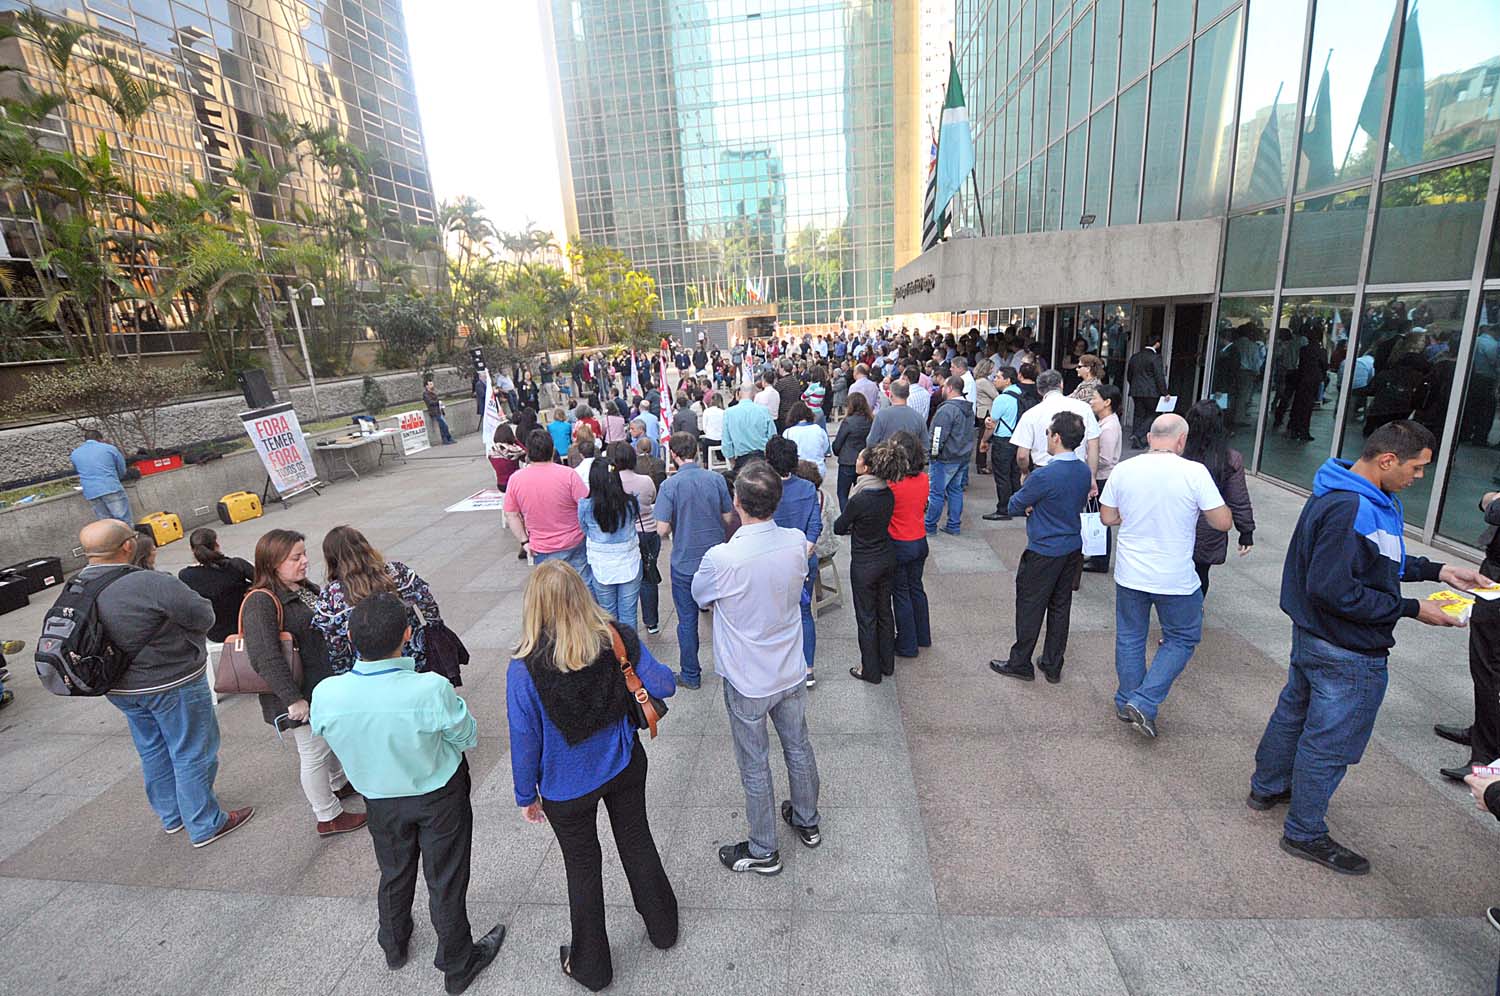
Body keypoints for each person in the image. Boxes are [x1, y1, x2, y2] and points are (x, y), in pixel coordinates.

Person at [1249, 420, 1488, 875]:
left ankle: (1268, 787)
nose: (1419, 478)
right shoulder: (1352, 506)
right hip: (1347, 650)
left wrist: (1437, 570)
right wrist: (1413, 609)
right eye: (1416, 468)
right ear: (1387, 460)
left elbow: (1375, 559)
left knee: (1294, 715)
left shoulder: (1352, 492)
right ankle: (1304, 832)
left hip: (1317, 638)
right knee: (1329, 743)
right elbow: (1333, 589)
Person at [310, 593, 504, 993]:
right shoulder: (429, 688)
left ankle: (394, 943)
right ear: (407, 635)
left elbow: (323, 732)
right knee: (445, 877)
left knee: (394, 870)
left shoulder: (327, 693)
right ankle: (457, 963)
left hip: (378, 798)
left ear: (350, 637)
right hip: (437, 793)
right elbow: (466, 736)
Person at [505, 561, 677, 990]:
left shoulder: (523, 669)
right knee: (636, 840)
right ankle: (663, 927)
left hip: (565, 787)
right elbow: (665, 685)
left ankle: (593, 968)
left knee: (582, 868)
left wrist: (526, 794)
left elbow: (525, 739)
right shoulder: (614, 637)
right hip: (622, 764)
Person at [79, 519, 252, 847]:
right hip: (169, 680)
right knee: (191, 749)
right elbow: (204, 616)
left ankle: (173, 816)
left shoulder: (77, 586)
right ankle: (204, 823)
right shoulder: (150, 582)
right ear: (128, 546)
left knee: (153, 748)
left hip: (118, 686)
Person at [691, 463, 822, 874]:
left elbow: (700, 596)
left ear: (737, 502)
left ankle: (764, 848)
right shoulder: (796, 542)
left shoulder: (722, 558)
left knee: (755, 763)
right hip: (790, 667)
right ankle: (807, 819)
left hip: (747, 677)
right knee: (798, 746)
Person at [1100, 415, 1231, 739]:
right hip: (1175, 577)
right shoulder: (1194, 472)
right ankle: (1144, 701)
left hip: (1130, 572)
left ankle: (1126, 700)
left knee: (1130, 636)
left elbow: (1107, 516)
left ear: (1149, 437)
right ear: (1181, 440)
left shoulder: (1125, 469)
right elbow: (1222, 522)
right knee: (1182, 637)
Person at [242, 529, 365, 836]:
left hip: (321, 684)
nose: (305, 561)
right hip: (299, 691)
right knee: (313, 752)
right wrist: (293, 699)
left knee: (327, 740)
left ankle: (338, 783)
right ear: (273, 563)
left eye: (304, 554)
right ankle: (327, 816)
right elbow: (265, 656)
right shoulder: (261, 601)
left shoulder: (303, 587)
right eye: (295, 557)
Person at [989, 413, 1093, 684]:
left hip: (1044, 548)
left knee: (1030, 605)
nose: (1046, 437)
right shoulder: (1083, 470)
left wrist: (1030, 502)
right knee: (1060, 606)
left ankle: (1020, 661)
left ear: (1056, 437)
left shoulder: (1044, 475)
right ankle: (1052, 662)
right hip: (1072, 546)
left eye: (1048, 433)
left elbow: (1013, 505)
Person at [655, 432, 732, 689]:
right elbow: (728, 517)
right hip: (717, 560)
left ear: (674, 455)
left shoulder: (669, 486)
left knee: (687, 621)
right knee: (725, 616)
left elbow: (662, 529)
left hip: (685, 562)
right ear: (697, 451)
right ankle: (732, 667)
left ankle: (691, 674)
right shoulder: (716, 479)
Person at [315, 525, 446, 675]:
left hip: (369, 669)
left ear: (331, 559)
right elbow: (428, 605)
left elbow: (335, 644)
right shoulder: (398, 572)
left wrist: (344, 672)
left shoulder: (332, 595)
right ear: (365, 547)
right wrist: (433, 633)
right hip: (413, 657)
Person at [837, 444, 899, 684]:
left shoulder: (860, 498)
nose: (856, 461)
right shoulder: (887, 493)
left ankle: (870, 670)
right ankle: (887, 663)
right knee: (885, 611)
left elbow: (839, 526)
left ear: (867, 467)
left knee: (866, 617)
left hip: (865, 563)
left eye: (859, 459)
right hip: (886, 557)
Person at [1182, 400, 1255, 596]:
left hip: (1178, 521)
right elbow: (1238, 498)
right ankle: (1196, 607)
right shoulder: (1229, 458)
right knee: (1200, 572)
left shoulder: (1179, 453)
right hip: (1209, 524)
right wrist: (1246, 531)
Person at [767, 437, 822, 687]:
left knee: (773, 615)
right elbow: (815, 525)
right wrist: (804, 553)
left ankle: (778, 668)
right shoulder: (808, 488)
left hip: (772, 561)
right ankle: (808, 668)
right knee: (804, 613)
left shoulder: (765, 489)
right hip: (803, 560)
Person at [505, 430, 591, 580]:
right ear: (552, 450)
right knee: (581, 585)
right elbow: (587, 505)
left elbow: (511, 515)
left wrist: (524, 541)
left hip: (541, 546)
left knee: (550, 589)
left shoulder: (515, 479)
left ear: (528, 452)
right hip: (574, 542)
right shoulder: (569, 474)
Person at [577, 458, 643, 629]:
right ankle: (630, 645)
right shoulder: (631, 503)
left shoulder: (585, 506)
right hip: (629, 562)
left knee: (608, 614)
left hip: (601, 565)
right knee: (629, 614)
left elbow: (585, 529)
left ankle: (614, 645)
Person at [1009, 370, 1101, 484]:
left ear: (1039, 390)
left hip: (1043, 471)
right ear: (1061, 384)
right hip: (1077, 470)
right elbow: (1093, 445)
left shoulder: (1030, 414)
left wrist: (1025, 472)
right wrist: (1092, 477)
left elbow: (1022, 456)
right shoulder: (1084, 408)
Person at [887, 431, 932, 658]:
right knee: (916, 588)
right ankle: (922, 635)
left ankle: (906, 643)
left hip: (899, 542)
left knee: (901, 593)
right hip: (919, 539)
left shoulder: (892, 484)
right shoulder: (923, 479)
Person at [177, 528, 254, 643]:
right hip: (247, 625)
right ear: (216, 545)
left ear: (192, 550)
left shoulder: (186, 576)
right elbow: (265, 581)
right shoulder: (236, 565)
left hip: (216, 632)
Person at [925, 376, 976, 536]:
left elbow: (937, 437)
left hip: (945, 458)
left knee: (936, 493)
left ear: (950, 388)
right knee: (955, 491)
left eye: (943, 387)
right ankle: (953, 525)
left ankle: (930, 526)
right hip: (962, 456)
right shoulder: (968, 408)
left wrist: (933, 455)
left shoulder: (946, 410)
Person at [1084, 385, 1124, 573]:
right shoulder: (1105, 422)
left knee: (1099, 518)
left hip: (1102, 478)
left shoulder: (1109, 427)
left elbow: (1104, 459)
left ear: (1107, 402)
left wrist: (1085, 460)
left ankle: (1100, 560)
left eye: (1095, 398)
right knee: (1097, 517)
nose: (1091, 401)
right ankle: (1097, 556)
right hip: (1101, 476)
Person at [983, 366, 1024, 521]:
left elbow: (992, 424)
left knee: (1002, 476)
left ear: (1007, 380)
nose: (995, 379)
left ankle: (1003, 509)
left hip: (1003, 440)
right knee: (1015, 474)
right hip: (1019, 439)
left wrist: (984, 440)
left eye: (998, 377)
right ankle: (1017, 506)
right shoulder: (1021, 394)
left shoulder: (1001, 399)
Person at [71, 428, 131, 520]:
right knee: (122, 520)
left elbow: (78, 470)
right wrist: (117, 478)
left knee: (106, 521)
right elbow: (121, 468)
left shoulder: (75, 453)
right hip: (110, 487)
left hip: (91, 492)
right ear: (100, 439)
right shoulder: (109, 448)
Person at [832, 392, 873, 512]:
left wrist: (837, 451)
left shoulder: (848, 422)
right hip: (864, 460)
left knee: (842, 494)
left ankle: (847, 517)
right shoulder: (870, 421)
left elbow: (838, 442)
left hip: (847, 461)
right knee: (862, 493)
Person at [1125, 337, 1168, 448]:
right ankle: (1138, 435)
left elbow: (1129, 375)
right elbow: (1159, 377)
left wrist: (1134, 385)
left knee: (1138, 415)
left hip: (1136, 390)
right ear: (1157, 344)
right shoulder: (1155, 357)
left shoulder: (1135, 357)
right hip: (1151, 392)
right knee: (1153, 414)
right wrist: (1164, 392)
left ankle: (1136, 440)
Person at [867, 378, 928, 447]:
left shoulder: (881, 415)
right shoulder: (919, 418)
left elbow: (871, 442)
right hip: (910, 453)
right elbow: (925, 446)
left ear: (891, 395)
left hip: (886, 453)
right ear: (908, 395)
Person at [782, 401, 829, 480]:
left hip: (797, 470)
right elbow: (825, 448)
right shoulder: (819, 430)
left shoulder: (788, 432)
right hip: (818, 470)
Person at [488, 423, 524, 493]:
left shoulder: (492, 451)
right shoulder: (513, 450)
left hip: (501, 484)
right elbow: (526, 452)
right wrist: (516, 441)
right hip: (514, 483)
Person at [424, 379, 456, 445]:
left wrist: (440, 405)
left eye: (432, 384)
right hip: (434, 412)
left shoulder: (433, 392)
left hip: (439, 411)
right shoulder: (425, 394)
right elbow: (430, 402)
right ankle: (447, 438)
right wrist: (438, 402)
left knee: (443, 425)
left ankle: (447, 439)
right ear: (427, 386)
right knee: (444, 425)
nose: (432, 385)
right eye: (430, 384)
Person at [700, 392, 725, 464]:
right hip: (721, 439)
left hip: (710, 439)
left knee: (705, 442)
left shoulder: (706, 411)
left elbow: (704, 427)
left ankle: (706, 462)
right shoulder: (723, 412)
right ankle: (721, 458)